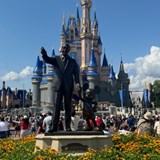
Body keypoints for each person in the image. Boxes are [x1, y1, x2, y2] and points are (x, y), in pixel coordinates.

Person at [41, 43, 80, 132]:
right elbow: (47, 59)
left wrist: (77, 83)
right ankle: (54, 127)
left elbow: (76, 74)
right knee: (56, 106)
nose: (64, 49)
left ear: (69, 50)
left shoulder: (72, 61)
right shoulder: (56, 58)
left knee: (68, 107)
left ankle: (68, 127)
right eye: (63, 47)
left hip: (68, 86)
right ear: (60, 49)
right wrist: (44, 54)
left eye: (66, 48)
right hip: (58, 86)